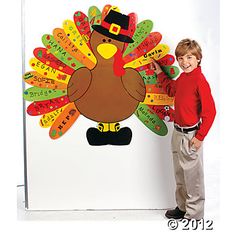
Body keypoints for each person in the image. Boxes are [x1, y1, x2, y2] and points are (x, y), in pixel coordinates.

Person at [151, 38, 216, 220]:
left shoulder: (199, 80)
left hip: (191, 135)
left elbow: (210, 112)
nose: (184, 62)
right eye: (180, 58)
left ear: (198, 59)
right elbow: (172, 90)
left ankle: (194, 214)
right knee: (180, 173)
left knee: (193, 177)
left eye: (189, 57)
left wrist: (200, 136)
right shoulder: (184, 77)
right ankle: (182, 207)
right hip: (177, 133)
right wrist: (160, 74)